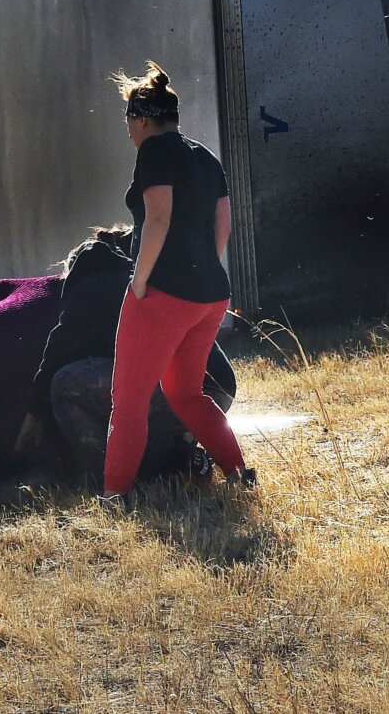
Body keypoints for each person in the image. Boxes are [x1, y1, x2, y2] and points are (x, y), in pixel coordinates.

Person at [103, 63, 250, 497]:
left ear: (141, 118)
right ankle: (239, 474)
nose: (129, 130)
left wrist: (140, 282)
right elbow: (223, 225)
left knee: (128, 403)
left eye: (128, 120)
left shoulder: (154, 151)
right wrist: (203, 268)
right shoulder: (204, 155)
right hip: (210, 294)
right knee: (186, 394)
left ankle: (114, 495)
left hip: (163, 294)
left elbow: (159, 217)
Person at [10, 225, 238, 483]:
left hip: (179, 395)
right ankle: (177, 460)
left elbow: (56, 352)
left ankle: (112, 477)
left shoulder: (89, 286)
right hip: (218, 391)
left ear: (72, 273)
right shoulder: (148, 278)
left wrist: (33, 416)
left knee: (65, 383)